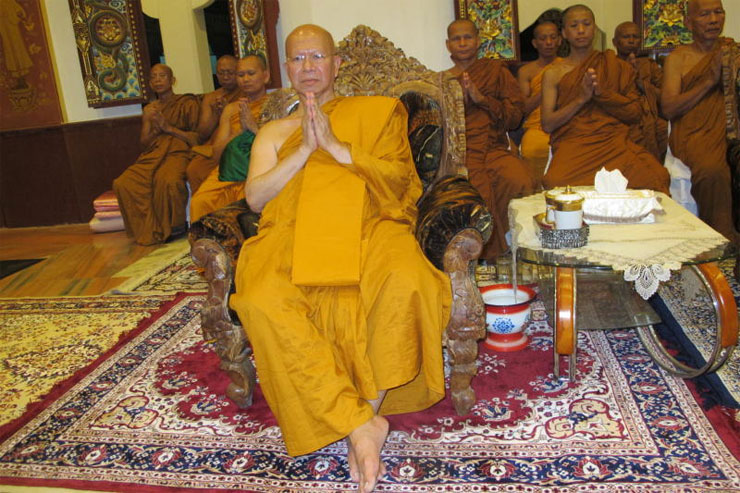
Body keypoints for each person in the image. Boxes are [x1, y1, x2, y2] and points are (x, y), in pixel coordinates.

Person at [229, 25, 451, 493]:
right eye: (297, 59)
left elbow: (400, 181)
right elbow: (255, 197)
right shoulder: (272, 131)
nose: (308, 67)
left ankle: (368, 411)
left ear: (336, 64)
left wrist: (335, 147)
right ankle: (359, 424)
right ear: (286, 69)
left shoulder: (377, 113)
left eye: (317, 57)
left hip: (370, 224)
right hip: (289, 234)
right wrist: (304, 150)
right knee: (259, 298)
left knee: (407, 276)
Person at [541, 5, 669, 193]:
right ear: (564, 33)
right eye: (574, 26)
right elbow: (548, 124)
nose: (581, 30)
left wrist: (603, 94)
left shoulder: (617, 67)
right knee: (556, 181)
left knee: (656, 176)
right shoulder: (554, 73)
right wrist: (581, 99)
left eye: (586, 24)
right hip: (575, 143)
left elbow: (634, 114)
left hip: (613, 143)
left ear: (594, 29)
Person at [444, 19, 536, 262]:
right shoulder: (441, 81)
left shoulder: (496, 72)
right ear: (448, 45)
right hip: (460, 153)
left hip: (494, 148)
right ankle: (484, 255)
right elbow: (440, 124)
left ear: (478, 41)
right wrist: (458, 102)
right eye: (456, 39)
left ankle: (515, 245)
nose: (462, 43)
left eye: (467, 37)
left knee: (520, 180)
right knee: (472, 193)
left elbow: (514, 117)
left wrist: (481, 99)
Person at [661, 0, 738, 243]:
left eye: (718, 12)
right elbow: (669, 108)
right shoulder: (678, 58)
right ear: (688, 22)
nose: (714, 19)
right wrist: (709, 82)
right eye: (705, 14)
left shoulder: (733, 53)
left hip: (732, 131)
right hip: (695, 135)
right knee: (713, 171)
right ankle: (722, 239)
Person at [113, 64, 199, 245]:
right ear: (150, 83)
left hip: (178, 151)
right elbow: (144, 143)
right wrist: (152, 126)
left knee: (168, 181)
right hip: (154, 153)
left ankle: (175, 227)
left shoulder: (187, 103)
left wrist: (169, 128)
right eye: (153, 77)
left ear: (172, 80)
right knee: (123, 183)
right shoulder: (149, 109)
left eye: (162, 76)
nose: (158, 80)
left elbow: (196, 138)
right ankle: (147, 229)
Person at [189, 55, 269, 222]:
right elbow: (217, 153)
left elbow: (282, 147)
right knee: (199, 201)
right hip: (228, 170)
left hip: (259, 169)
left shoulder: (277, 104)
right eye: (240, 75)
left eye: (251, 73)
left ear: (265, 75)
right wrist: (239, 132)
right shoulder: (231, 109)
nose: (245, 79)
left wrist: (253, 128)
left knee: (246, 203)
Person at [613, 21, 668, 162]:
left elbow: (666, 98)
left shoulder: (649, 66)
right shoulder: (608, 66)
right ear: (615, 42)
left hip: (652, 124)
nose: (631, 40)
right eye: (626, 37)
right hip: (620, 124)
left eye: (635, 37)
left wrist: (641, 83)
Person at [186, 55, 240, 193]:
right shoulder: (211, 97)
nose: (225, 77)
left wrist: (229, 112)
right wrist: (216, 114)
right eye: (221, 73)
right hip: (214, 145)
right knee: (194, 169)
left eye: (230, 72)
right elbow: (202, 134)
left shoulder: (245, 93)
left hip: (235, 142)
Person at [517, 21, 562, 183]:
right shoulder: (526, 71)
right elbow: (524, 109)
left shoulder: (567, 66)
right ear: (535, 43)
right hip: (537, 127)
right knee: (531, 150)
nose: (548, 42)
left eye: (553, 37)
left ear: (560, 40)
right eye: (543, 39)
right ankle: (535, 189)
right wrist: (547, 86)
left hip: (563, 122)